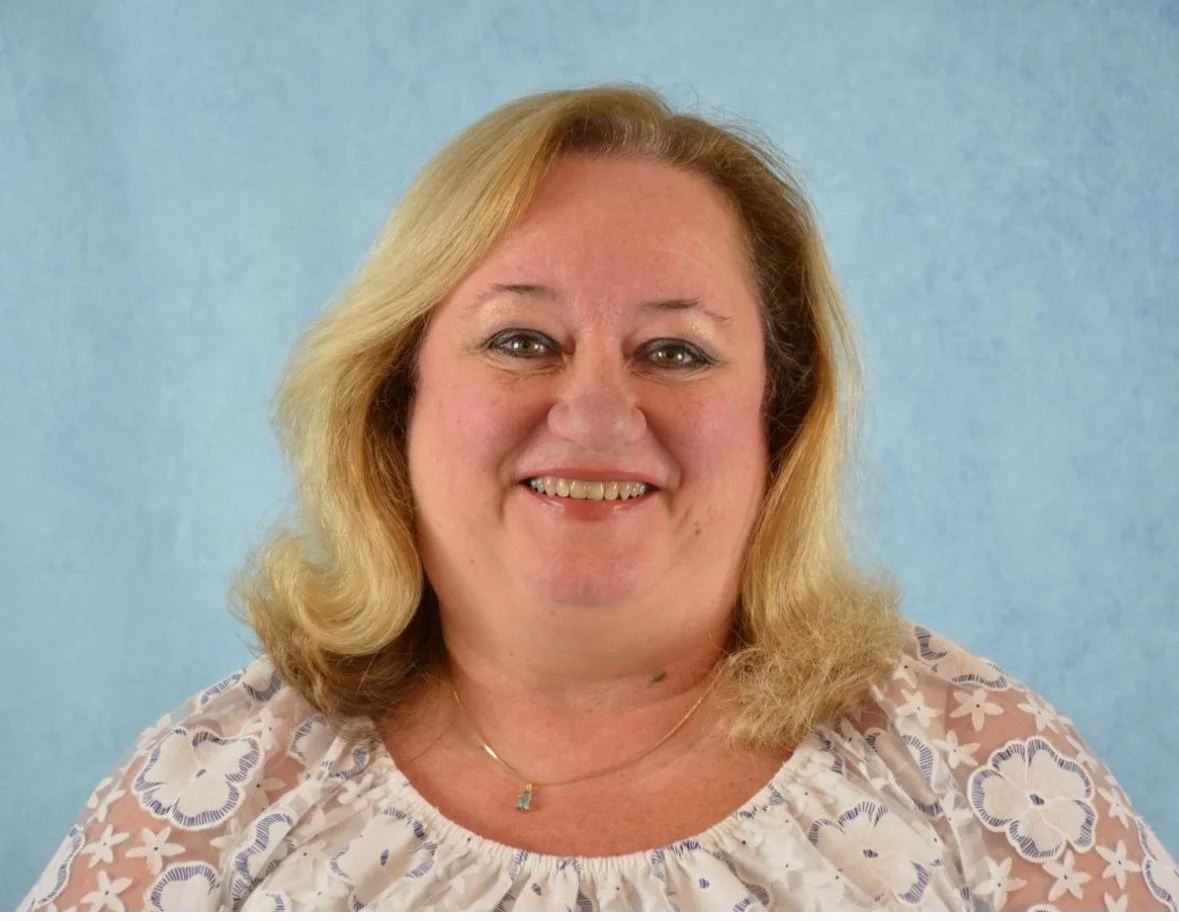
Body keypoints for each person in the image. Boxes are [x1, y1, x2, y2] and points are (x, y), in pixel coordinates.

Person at [21, 84, 1177, 912]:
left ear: (779, 415)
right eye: (523, 340)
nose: (598, 412)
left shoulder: (984, 770)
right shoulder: (209, 793)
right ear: (394, 399)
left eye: (676, 353)